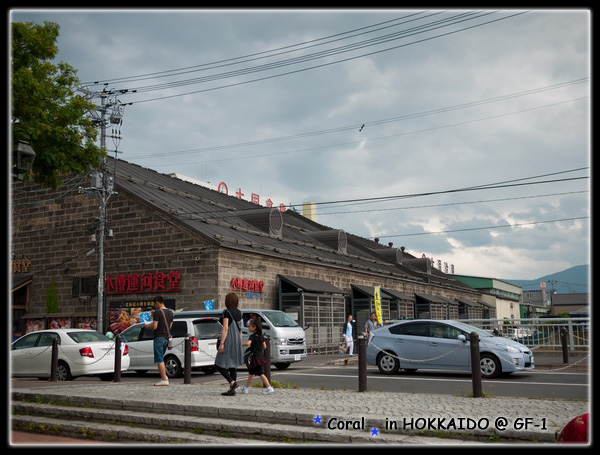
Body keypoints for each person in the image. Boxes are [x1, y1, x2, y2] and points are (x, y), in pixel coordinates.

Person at [215, 292, 244, 396]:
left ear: (227, 301)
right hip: (237, 340)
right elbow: (240, 329)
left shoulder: (226, 312)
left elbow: (225, 328)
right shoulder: (240, 313)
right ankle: (232, 390)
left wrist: (222, 343)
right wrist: (239, 342)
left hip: (229, 340)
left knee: (218, 364)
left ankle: (233, 383)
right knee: (233, 366)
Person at [240, 319, 275, 395]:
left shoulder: (252, 336)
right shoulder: (261, 336)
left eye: (250, 326)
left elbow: (248, 343)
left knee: (261, 373)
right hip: (259, 356)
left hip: (255, 357)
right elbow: (265, 346)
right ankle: (245, 388)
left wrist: (240, 344)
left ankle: (269, 388)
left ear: (254, 327)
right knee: (251, 373)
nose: (249, 328)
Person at [144, 296, 173, 386]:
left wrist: (147, 326)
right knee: (162, 358)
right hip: (166, 337)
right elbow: (170, 325)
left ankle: (164, 379)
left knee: (159, 359)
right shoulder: (170, 312)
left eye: (154, 303)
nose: (154, 305)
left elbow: (155, 326)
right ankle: (164, 376)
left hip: (159, 337)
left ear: (158, 302)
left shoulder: (157, 312)